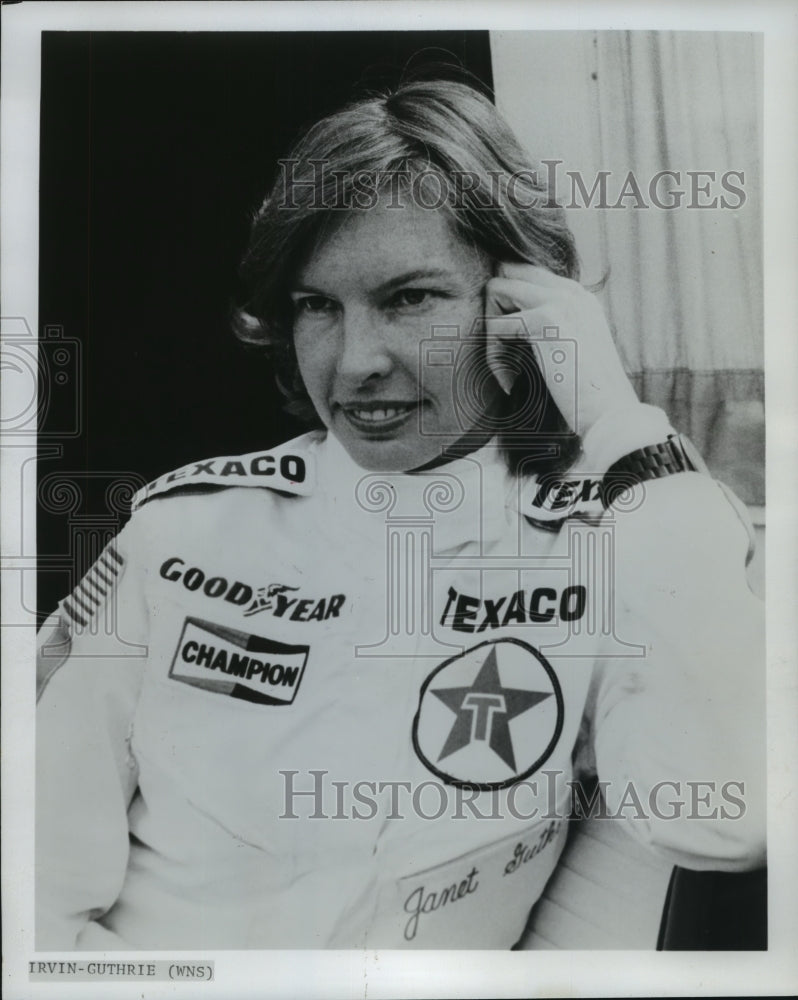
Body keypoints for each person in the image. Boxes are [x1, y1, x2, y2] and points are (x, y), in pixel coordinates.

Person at [35, 79, 765, 950]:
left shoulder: (625, 535)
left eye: (409, 297)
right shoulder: (186, 530)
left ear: (525, 305)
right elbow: (33, 882)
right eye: (317, 307)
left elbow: (724, 825)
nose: (354, 363)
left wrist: (619, 428)